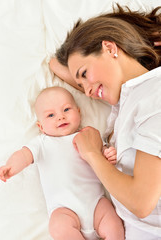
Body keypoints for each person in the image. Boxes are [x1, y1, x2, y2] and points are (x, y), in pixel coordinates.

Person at [49, 4, 161, 240]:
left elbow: (142, 202)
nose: (87, 92)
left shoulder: (154, 96)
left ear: (109, 47)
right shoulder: (129, 99)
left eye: (84, 75)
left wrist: (93, 155)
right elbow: (56, 65)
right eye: (81, 87)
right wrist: (137, 39)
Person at [0, 86, 124, 240]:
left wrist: (108, 154)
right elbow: (24, 155)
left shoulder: (87, 136)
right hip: (64, 209)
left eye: (66, 110)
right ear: (41, 126)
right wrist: (11, 167)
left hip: (96, 203)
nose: (60, 117)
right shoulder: (42, 143)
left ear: (78, 112)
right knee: (57, 227)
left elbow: (101, 152)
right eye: (51, 115)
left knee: (113, 223)